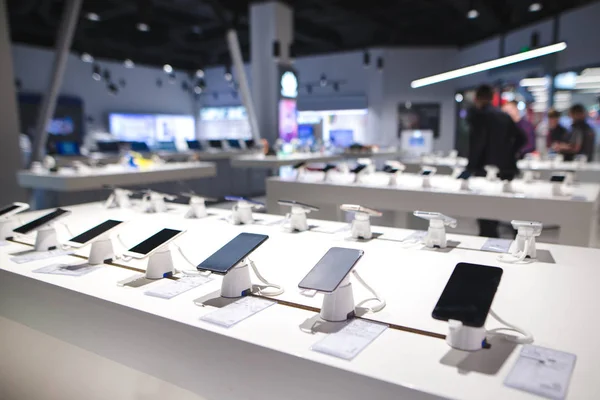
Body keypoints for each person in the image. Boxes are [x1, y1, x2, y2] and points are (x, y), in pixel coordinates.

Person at [467, 85, 526, 238]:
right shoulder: (503, 116)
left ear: (477, 98)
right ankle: (519, 244)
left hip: (483, 170)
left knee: (486, 215)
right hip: (506, 169)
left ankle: (489, 247)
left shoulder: (477, 117)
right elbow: (522, 138)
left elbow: (476, 145)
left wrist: (471, 166)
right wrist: (510, 153)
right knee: (512, 210)